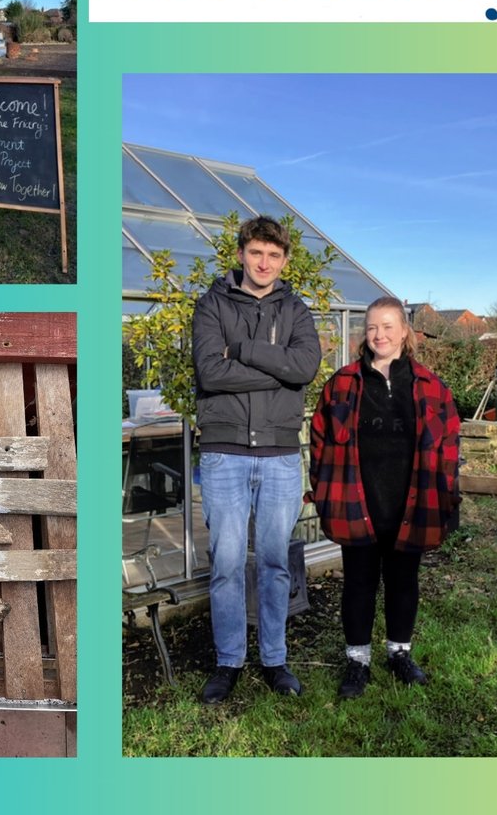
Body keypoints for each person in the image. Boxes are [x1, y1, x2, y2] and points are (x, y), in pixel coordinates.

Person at [192, 215, 322, 704]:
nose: (264, 263)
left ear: (283, 260)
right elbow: (210, 373)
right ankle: (228, 662)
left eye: (273, 255)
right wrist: (279, 370)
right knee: (225, 562)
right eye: (256, 253)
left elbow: (305, 367)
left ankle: (274, 659)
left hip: (280, 456)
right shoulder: (211, 305)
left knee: (274, 562)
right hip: (225, 452)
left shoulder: (297, 310)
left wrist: (244, 350)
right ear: (242, 254)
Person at [308, 297, 461, 699]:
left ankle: (399, 654)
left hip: (411, 503)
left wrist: (447, 500)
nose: (380, 335)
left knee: (403, 581)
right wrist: (324, 494)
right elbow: (319, 444)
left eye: (389, 326)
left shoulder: (431, 388)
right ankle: (357, 660)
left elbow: (448, 450)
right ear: (365, 333)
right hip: (357, 502)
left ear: (405, 332)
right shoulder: (342, 384)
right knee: (358, 583)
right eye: (373, 327)